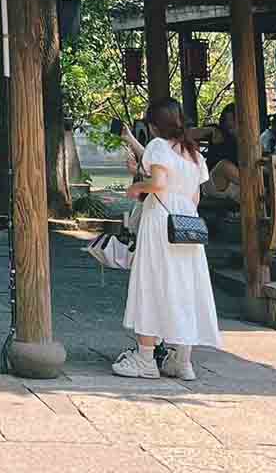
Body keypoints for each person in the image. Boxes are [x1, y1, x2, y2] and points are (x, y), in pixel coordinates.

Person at [113, 97, 222, 380]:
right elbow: (195, 195)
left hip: (160, 223)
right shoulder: (192, 151)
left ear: (153, 125)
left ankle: (145, 358)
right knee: (183, 286)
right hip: (187, 223)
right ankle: (181, 361)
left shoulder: (158, 146)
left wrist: (136, 186)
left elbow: (158, 183)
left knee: (151, 282)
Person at [193, 103, 243, 202]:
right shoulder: (217, 131)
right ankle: (253, 186)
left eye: (233, 119)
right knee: (224, 166)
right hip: (213, 181)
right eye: (226, 119)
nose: (230, 123)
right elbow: (188, 134)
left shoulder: (247, 137)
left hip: (236, 183)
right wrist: (209, 130)